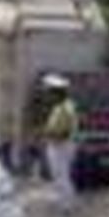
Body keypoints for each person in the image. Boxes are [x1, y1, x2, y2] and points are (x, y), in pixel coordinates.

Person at [42, 74, 80, 209]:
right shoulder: (60, 107)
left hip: (61, 146)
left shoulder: (65, 108)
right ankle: (64, 200)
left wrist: (51, 135)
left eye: (49, 92)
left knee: (61, 174)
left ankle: (67, 204)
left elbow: (65, 131)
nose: (47, 96)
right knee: (58, 174)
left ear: (57, 93)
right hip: (58, 145)